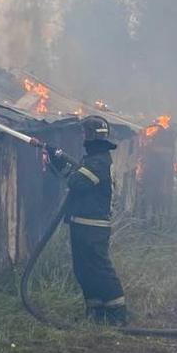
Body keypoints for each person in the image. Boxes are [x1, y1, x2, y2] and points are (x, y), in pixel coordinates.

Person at [47, 116, 128, 325]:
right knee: (83, 270)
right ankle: (95, 311)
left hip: (94, 226)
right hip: (81, 223)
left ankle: (117, 314)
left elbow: (77, 182)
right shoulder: (93, 160)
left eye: (84, 133)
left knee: (99, 269)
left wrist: (61, 159)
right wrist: (57, 161)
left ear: (91, 136)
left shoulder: (99, 161)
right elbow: (73, 176)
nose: (82, 137)